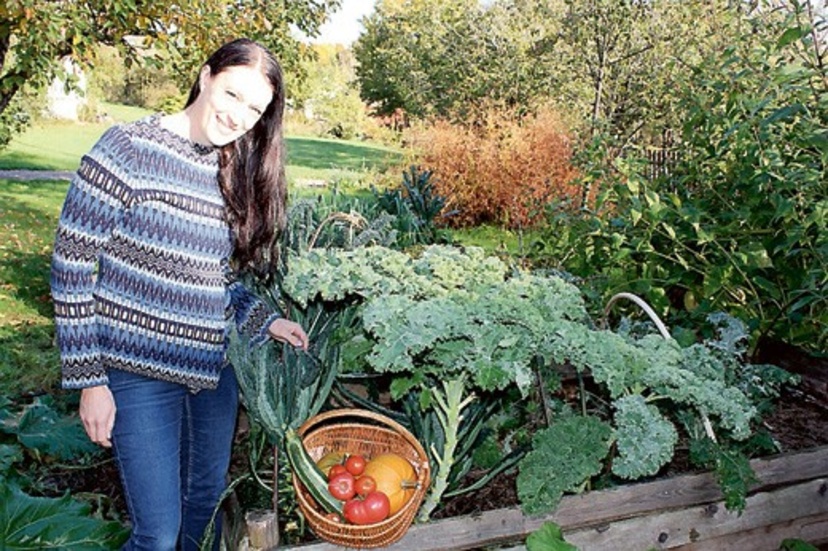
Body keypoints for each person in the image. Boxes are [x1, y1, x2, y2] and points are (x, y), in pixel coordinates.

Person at [50, 38, 308, 550]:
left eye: (255, 109)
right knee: (158, 535)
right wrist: (90, 380)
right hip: (135, 374)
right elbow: (70, 264)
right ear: (206, 75)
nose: (239, 117)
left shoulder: (232, 168)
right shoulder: (126, 149)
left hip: (213, 375)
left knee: (203, 511)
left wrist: (264, 320)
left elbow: (215, 278)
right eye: (233, 95)